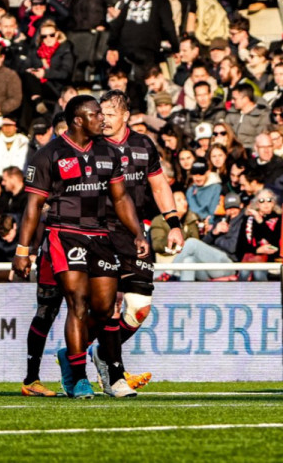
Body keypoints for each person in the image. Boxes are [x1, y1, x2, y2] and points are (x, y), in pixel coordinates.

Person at [13, 95, 149, 400]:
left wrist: (137, 232)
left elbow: (120, 198)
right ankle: (78, 378)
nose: (103, 119)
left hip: (101, 237)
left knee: (106, 308)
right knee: (77, 303)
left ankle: (114, 376)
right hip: (65, 234)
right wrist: (23, 250)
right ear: (78, 120)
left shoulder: (108, 152)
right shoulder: (49, 154)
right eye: (96, 114)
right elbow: (33, 207)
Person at [88, 90, 185, 391]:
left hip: (134, 234)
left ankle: (98, 352)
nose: (104, 119)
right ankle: (114, 374)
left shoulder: (143, 145)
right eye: (101, 113)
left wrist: (174, 223)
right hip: (99, 230)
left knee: (140, 307)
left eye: (111, 113)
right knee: (109, 305)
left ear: (126, 116)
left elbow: (159, 186)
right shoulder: (91, 145)